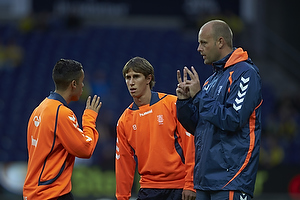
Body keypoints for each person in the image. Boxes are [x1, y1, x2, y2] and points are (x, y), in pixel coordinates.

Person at [176, 20, 263, 200]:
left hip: (231, 179)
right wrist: (184, 102)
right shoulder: (211, 81)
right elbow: (199, 128)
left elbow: (233, 119)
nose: (199, 49)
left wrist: (199, 96)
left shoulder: (246, 73)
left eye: (203, 43)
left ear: (220, 42)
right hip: (204, 180)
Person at [115, 57, 196, 200]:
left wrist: (190, 183)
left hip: (179, 188)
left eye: (136, 76)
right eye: (128, 78)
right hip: (148, 189)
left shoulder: (172, 105)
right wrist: (122, 197)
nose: (131, 82)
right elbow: (123, 162)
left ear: (148, 79)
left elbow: (190, 146)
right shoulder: (124, 121)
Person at [23, 59, 102, 200]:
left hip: (34, 192)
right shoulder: (61, 113)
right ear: (73, 84)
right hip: (51, 193)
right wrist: (89, 118)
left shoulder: (39, 109)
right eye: (82, 81)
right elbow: (86, 149)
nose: (83, 86)